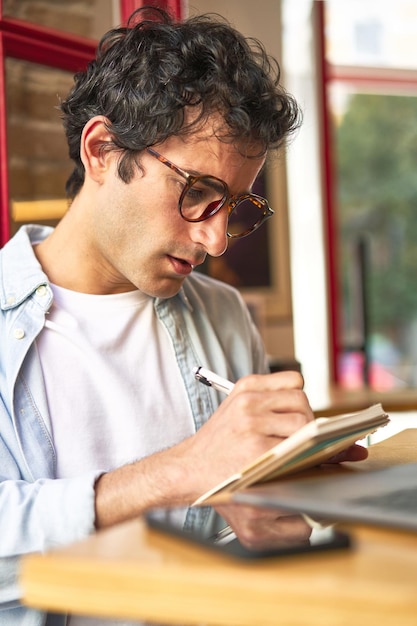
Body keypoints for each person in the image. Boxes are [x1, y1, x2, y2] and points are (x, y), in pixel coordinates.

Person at [0, 6, 367, 625]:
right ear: (102, 150)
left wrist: (274, 514)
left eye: (234, 205)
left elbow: (235, 548)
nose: (219, 242)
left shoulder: (224, 314)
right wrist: (179, 471)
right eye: (197, 192)